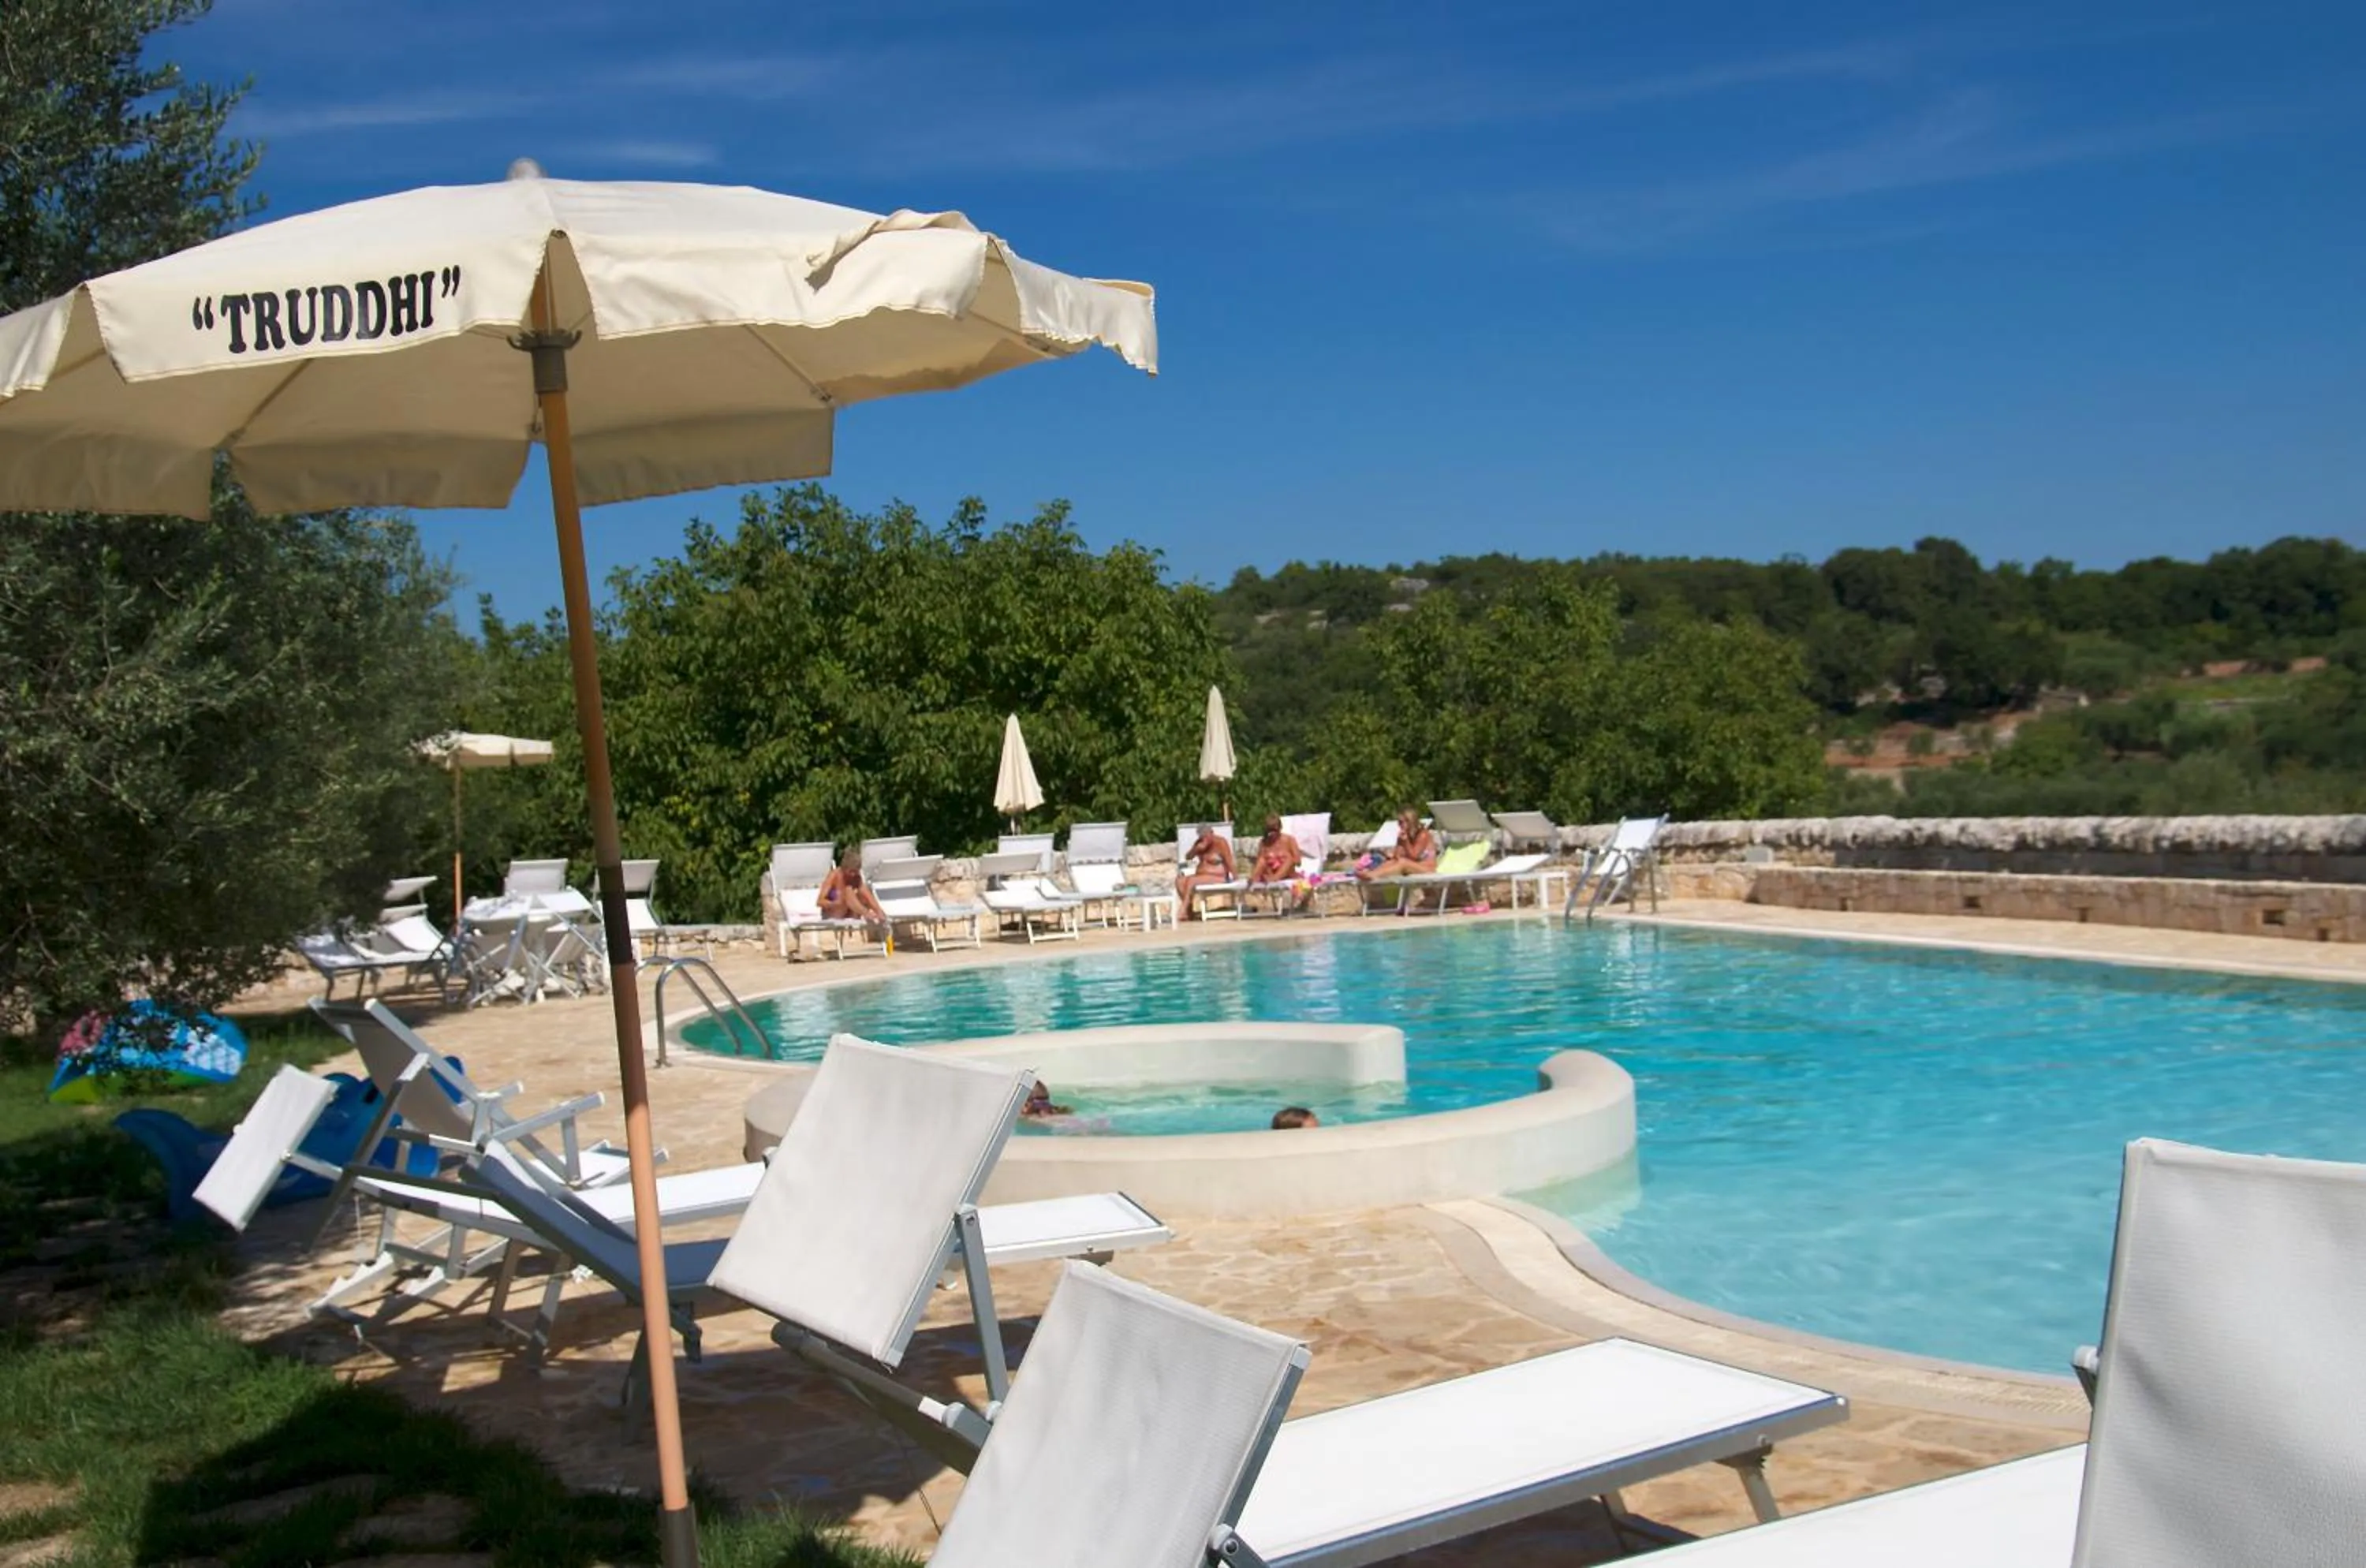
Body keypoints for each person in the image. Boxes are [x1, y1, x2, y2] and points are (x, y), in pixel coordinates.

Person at [1355, 808, 1438, 883]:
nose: (1399, 825)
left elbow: (1414, 856)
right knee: (1392, 862)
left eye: (1401, 822)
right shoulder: (1406, 836)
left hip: (1427, 868)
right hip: (1413, 866)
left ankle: (1373, 875)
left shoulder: (1423, 835)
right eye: (1399, 822)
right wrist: (1399, 845)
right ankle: (1371, 873)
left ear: (1410, 822)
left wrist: (1405, 843)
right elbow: (1397, 856)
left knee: (1403, 863)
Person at [1247, 813, 1309, 910]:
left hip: (1288, 873)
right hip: (1269, 873)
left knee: (1289, 858)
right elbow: (1260, 862)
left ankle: (1274, 879)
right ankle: (1252, 881)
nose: (1272, 833)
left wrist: (1281, 860)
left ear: (1280, 828)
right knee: (1262, 860)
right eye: (1269, 830)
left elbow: (1298, 861)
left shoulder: (1289, 840)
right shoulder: (1264, 843)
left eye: (1274, 830)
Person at [1175, 822, 1236, 920]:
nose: (1205, 839)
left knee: (1192, 881)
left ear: (1212, 833)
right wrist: (1196, 850)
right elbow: (1188, 857)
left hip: (1219, 877)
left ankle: (1183, 909)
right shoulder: (1199, 843)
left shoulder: (1220, 843)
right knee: (1180, 881)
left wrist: (1236, 879)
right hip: (1201, 877)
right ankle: (1189, 911)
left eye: (1206, 836)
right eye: (1202, 837)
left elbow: (1229, 862)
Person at [818, 848, 887, 927]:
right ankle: (866, 913)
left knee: (864, 892)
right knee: (848, 891)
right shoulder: (834, 875)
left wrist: (878, 910)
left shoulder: (856, 877)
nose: (853, 874)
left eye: (856, 871)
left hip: (850, 913)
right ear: (844, 868)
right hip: (834, 912)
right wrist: (834, 903)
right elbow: (820, 902)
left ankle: (878, 913)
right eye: (851, 871)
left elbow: (866, 895)